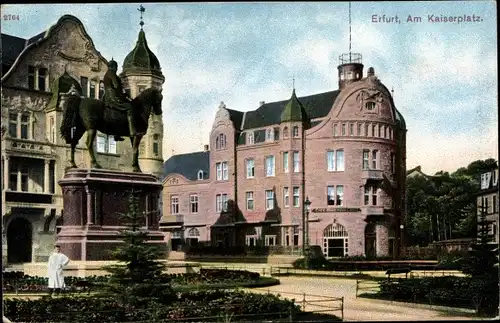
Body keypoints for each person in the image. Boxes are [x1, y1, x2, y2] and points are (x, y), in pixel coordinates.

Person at [102, 58, 136, 141]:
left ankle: (116, 133)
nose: (116, 69)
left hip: (106, 96)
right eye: (116, 67)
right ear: (114, 67)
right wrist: (125, 96)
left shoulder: (107, 74)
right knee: (129, 108)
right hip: (113, 97)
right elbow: (116, 86)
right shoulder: (112, 74)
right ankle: (132, 131)